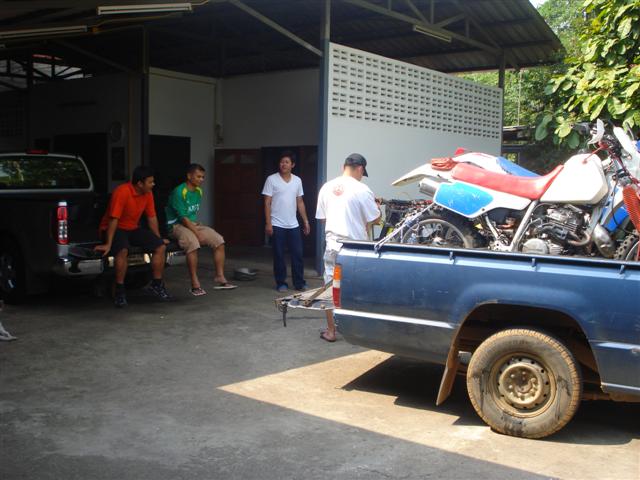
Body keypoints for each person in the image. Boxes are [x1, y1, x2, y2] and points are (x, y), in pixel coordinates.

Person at [315, 153, 380, 342]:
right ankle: (359, 332)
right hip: (355, 248)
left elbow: (322, 218)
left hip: (333, 245)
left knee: (330, 287)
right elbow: (375, 218)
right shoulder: (362, 189)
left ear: (344, 167)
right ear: (360, 169)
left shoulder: (326, 187)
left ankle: (331, 331)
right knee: (358, 288)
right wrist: (376, 207)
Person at [95, 166, 172, 308]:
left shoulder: (148, 193)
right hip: (114, 228)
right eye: (150, 182)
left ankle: (156, 284)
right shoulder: (122, 192)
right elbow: (113, 219)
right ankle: (120, 290)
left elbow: (151, 217)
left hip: (132, 228)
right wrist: (108, 243)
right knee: (123, 250)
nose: (153, 184)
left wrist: (158, 237)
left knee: (160, 246)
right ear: (140, 183)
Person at [165, 163, 236, 296]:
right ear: (189, 176)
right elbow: (183, 218)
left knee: (219, 241)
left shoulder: (199, 191)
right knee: (193, 243)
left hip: (192, 224)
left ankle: (219, 277)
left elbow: (191, 216)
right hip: (176, 225)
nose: (201, 179)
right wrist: (197, 233)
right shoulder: (179, 192)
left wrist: (196, 227)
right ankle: (194, 284)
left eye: (203, 177)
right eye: (198, 176)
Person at [262, 151, 311, 292]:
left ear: (292, 165)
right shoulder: (271, 179)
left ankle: (299, 283)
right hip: (277, 224)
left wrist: (306, 221)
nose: (283, 164)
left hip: (293, 224)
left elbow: (300, 202)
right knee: (278, 255)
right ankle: (281, 283)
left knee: (298, 254)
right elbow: (267, 202)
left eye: (287, 162)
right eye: (281, 162)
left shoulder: (297, 181)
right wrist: (268, 223)